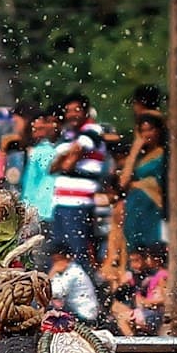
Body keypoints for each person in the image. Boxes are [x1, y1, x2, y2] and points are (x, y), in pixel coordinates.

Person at [49, 95, 111, 265]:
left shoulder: (93, 131)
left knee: (79, 254)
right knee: (59, 254)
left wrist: (65, 159)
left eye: (76, 110)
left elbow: (68, 164)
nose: (71, 114)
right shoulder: (68, 135)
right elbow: (53, 167)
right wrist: (66, 158)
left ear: (85, 111)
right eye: (68, 111)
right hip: (61, 202)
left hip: (78, 203)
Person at [117, 113, 168, 254]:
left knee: (153, 248)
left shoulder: (164, 154)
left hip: (152, 206)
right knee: (134, 250)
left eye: (150, 129)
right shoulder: (139, 157)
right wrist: (135, 149)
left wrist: (139, 185)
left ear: (158, 130)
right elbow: (123, 182)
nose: (147, 134)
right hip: (135, 207)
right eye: (143, 131)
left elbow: (161, 182)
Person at [19, 106, 61, 234]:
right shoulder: (36, 149)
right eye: (34, 129)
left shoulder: (44, 150)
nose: (37, 132)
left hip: (42, 207)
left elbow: (48, 170)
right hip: (37, 207)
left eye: (41, 128)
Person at [47, 241, 100, 322]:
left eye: (59, 260)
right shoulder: (63, 273)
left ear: (68, 258)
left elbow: (55, 292)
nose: (56, 264)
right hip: (74, 312)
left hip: (85, 315)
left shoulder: (74, 272)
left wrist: (52, 273)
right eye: (54, 261)